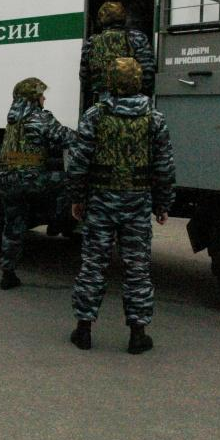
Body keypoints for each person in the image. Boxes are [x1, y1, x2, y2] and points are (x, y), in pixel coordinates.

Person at [67, 57, 175, 354]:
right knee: (137, 269)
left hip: (101, 201)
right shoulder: (154, 118)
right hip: (138, 202)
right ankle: (138, 335)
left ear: (111, 82)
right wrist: (163, 203)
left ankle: (84, 330)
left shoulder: (94, 115)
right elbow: (163, 166)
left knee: (93, 265)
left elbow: (78, 163)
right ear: (138, 81)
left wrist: (77, 198)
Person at [0, 77, 76, 290]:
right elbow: (68, 138)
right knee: (70, 181)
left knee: (13, 225)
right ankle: (59, 221)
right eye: (41, 95)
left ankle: (8, 273)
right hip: (30, 180)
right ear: (33, 98)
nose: (44, 98)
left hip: (6, 181)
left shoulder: (12, 120)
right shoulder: (40, 118)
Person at [80, 1, 155, 102]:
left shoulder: (91, 42)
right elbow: (148, 72)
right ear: (124, 18)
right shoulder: (138, 38)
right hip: (134, 98)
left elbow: (84, 76)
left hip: (103, 99)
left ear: (101, 20)